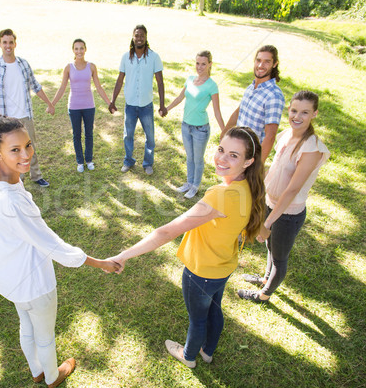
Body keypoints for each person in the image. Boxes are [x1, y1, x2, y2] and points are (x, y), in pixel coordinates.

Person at [0, 115, 118, 388]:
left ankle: (37, 370)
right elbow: (53, 245)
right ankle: (52, 375)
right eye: (15, 150)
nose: (26, 154)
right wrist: (100, 263)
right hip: (34, 284)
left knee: (26, 324)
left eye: (28, 145)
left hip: (10, 282)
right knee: (44, 335)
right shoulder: (12, 200)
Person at [110, 127, 266, 367]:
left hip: (201, 272)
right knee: (215, 310)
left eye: (234, 155)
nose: (222, 158)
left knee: (198, 318)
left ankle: (189, 356)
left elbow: (166, 232)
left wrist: (123, 255)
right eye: (221, 149)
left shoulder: (220, 196)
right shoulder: (251, 187)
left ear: (249, 161)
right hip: (223, 267)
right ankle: (208, 351)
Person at [237, 90, 330, 303]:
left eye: (304, 112)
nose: (297, 117)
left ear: (314, 114)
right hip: (271, 204)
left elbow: (291, 190)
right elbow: (275, 169)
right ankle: (265, 279)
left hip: (287, 214)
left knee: (279, 258)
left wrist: (268, 222)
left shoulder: (311, 148)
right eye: (294, 110)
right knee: (270, 247)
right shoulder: (286, 134)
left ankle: (264, 295)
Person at [0, 28, 54, 187]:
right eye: (5, 42)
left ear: (15, 44)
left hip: (25, 115)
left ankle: (36, 175)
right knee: (9, 151)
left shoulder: (23, 64)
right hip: (6, 119)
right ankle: (14, 180)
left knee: (30, 147)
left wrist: (49, 103)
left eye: (11, 42)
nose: (8, 45)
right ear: (0, 44)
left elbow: (36, 86)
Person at [165, 50, 226, 199]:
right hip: (186, 125)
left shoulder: (212, 86)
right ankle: (188, 182)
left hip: (200, 129)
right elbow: (180, 98)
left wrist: (225, 131)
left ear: (210, 64)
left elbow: (217, 111)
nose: (199, 67)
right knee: (189, 156)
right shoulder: (190, 79)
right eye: (197, 63)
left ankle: (195, 186)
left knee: (198, 159)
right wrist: (166, 108)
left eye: (203, 64)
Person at [109, 24, 166, 175]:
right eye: (136, 35)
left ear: (146, 37)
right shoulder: (126, 57)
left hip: (146, 105)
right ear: (133, 38)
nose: (139, 38)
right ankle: (128, 161)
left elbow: (160, 82)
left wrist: (162, 105)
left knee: (150, 137)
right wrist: (112, 101)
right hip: (131, 105)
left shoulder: (154, 57)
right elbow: (120, 80)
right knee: (128, 135)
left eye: (141, 35)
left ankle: (148, 163)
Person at [50, 39, 111, 173]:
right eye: (76, 49)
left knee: (89, 134)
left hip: (89, 105)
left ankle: (88, 160)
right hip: (74, 106)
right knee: (76, 134)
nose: (79, 51)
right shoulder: (68, 67)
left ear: (85, 49)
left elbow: (99, 87)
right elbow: (62, 88)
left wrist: (109, 103)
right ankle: (79, 161)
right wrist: (52, 104)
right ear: (73, 50)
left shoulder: (91, 66)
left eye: (81, 48)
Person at [224, 45, 285, 162]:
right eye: (258, 60)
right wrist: (224, 137)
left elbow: (270, 135)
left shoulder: (274, 95)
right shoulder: (251, 87)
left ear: (275, 64)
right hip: (235, 150)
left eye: (267, 62)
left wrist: (257, 165)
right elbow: (238, 112)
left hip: (249, 157)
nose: (261, 65)